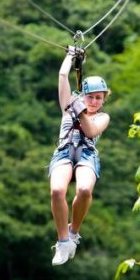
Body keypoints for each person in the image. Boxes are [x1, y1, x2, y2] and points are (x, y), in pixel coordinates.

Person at [48, 46, 110, 266]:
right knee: (57, 190)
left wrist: (80, 110)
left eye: (98, 98)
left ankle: (73, 233)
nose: (94, 102)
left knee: (84, 189)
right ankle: (63, 241)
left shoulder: (102, 117)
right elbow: (63, 76)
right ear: (83, 95)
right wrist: (70, 55)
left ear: (103, 100)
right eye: (90, 97)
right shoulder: (68, 107)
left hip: (86, 153)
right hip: (65, 150)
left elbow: (91, 132)